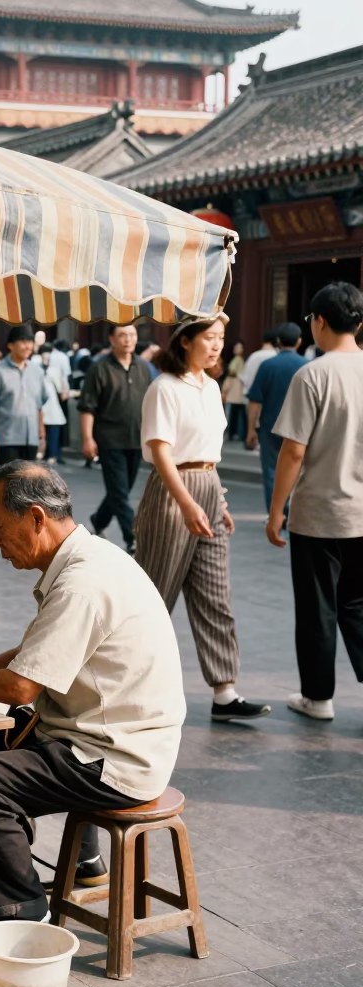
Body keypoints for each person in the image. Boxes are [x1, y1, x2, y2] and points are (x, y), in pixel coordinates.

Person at [0, 463, 185, 923]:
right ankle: (84, 862)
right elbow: (30, 654)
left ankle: (22, 907)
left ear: (36, 518)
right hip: (111, 736)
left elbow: (21, 686)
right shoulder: (91, 557)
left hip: (115, 758)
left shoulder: (82, 583)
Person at [135, 317, 270, 722]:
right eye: (209, 338)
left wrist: (218, 501)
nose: (217, 347)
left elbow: (208, 451)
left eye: (221, 339)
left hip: (209, 484)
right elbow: (161, 451)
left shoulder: (211, 387)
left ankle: (224, 691)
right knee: (155, 594)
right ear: (185, 341)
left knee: (215, 593)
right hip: (173, 490)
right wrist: (187, 503)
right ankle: (133, 684)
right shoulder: (164, 387)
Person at [266, 282, 363, 721]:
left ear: (319, 322)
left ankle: (318, 698)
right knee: (358, 605)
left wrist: (275, 512)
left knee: (318, 607)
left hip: (320, 515)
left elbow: (293, 451)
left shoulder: (313, 375)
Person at [79, 322, 152, 554]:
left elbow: (151, 404)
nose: (128, 339)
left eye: (132, 334)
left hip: (136, 438)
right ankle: (134, 537)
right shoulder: (99, 368)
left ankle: (99, 520)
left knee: (121, 490)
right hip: (109, 440)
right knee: (120, 491)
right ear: (111, 339)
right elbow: (87, 407)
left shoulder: (143, 367)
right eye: (122, 335)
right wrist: (87, 438)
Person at [245, 322, 307, 515]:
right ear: (299, 341)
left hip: (270, 426)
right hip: (300, 428)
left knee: (271, 471)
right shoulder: (307, 366)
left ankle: (275, 514)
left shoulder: (267, 365)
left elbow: (255, 401)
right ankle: (293, 512)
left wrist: (250, 430)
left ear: (278, 341)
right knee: (298, 471)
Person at [0, 325, 46, 466]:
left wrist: (41, 434)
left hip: (31, 440)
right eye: (23, 342)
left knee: (28, 485)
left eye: (30, 342)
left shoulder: (37, 372)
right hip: (6, 440)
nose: (28, 346)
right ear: (11, 345)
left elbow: (39, 406)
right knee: (9, 483)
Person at [38, 343, 68, 465]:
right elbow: (62, 390)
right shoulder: (54, 371)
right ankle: (52, 454)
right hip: (52, 405)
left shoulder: (35, 368)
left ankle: (45, 454)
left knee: (45, 432)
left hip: (42, 406)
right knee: (53, 432)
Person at [238, 329, 278, 397]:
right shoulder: (276, 356)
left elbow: (243, 379)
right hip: (270, 398)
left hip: (250, 397)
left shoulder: (254, 356)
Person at [221, 341, 247, 441]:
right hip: (235, 390)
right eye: (236, 347)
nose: (237, 349)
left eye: (239, 347)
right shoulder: (237, 360)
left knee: (230, 412)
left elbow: (232, 372)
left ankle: (230, 433)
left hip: (234, 389)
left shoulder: (238, 360)